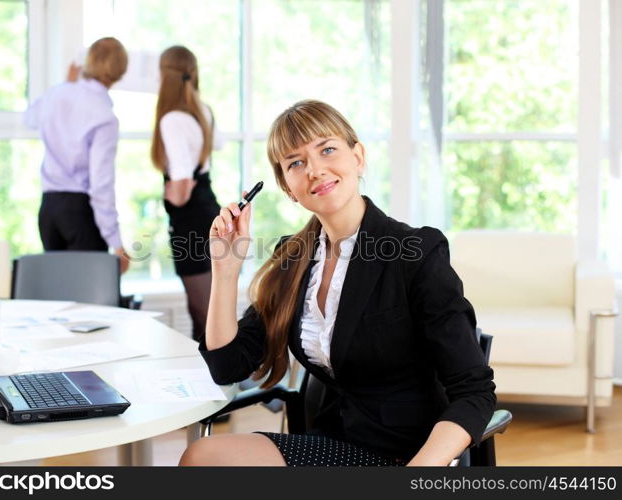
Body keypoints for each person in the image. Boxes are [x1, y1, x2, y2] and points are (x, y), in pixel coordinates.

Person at [179, 100, 496, 466]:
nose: (314, 170)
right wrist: (225, 270)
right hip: (335, 445)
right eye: (295, 163)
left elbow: (475, 393)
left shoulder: (416, 252)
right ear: (287, 187)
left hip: (410, 456)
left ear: (357, 157)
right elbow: (227, 367)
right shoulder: (293, 259)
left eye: (327, 149)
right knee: (202, 458)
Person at [24, 37, 129, 274]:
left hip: (49, 211)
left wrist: (66, 85)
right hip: (80, 214)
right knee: (90, 303)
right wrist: (116, 242)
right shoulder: (105, 116)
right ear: (120, 71)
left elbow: (29, 119)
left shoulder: (58, 94)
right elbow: (101, 184)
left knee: (59, 296)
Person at [151, 45, 221, 342]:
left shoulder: (171, 119)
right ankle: (211, 376)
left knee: (203, 310)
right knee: (204, 309)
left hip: (190, 217)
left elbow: (181, 183)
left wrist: (170, 195)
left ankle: (221, 377)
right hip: (208, 210)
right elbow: (217, 146)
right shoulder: (202, 110)